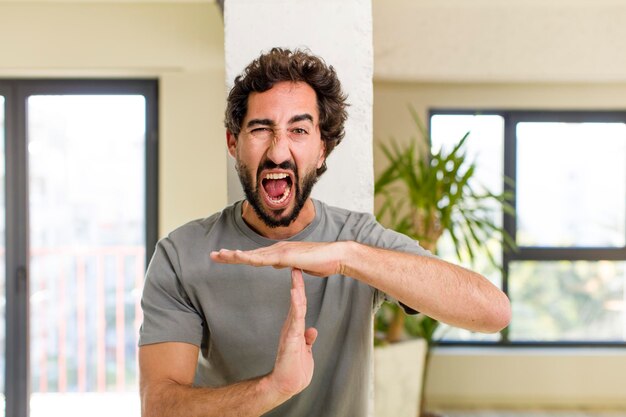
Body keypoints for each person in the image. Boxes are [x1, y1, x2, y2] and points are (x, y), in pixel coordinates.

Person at [138, 47, 511, 417]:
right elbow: (159, 408)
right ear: (233, 143)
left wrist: (346, 258)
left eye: (298, 130)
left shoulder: (357, 240)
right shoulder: (181, 255)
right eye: (260, 129)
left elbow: (492, 312)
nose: (278, 151)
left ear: (322, 150)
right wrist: (274, 388)